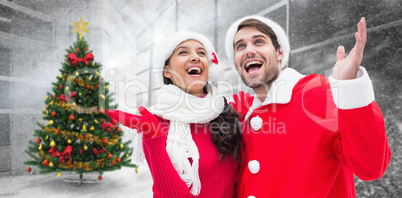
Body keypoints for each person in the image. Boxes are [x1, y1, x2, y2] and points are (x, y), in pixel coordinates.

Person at [225, 15, 391, 198]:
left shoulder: (316, 93)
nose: (249, 50)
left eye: (258, 42)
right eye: (240, 46)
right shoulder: (245, 115)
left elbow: (371, 166)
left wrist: (348, 87)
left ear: (279, 53)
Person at [107, 31, 242, 197]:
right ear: (167, 71)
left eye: (201, 53)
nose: (195, 57)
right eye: (183, 52)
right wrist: (153, 138)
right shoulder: (156, 122)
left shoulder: (225, 113)